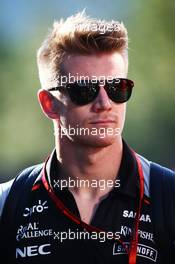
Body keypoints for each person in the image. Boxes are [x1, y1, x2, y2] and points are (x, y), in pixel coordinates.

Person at [0, 11, 175, 264]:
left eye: (117, 88)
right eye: (84, 90)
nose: (104, 103)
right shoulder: (8, 205)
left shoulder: (167, 198)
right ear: (49, 104)